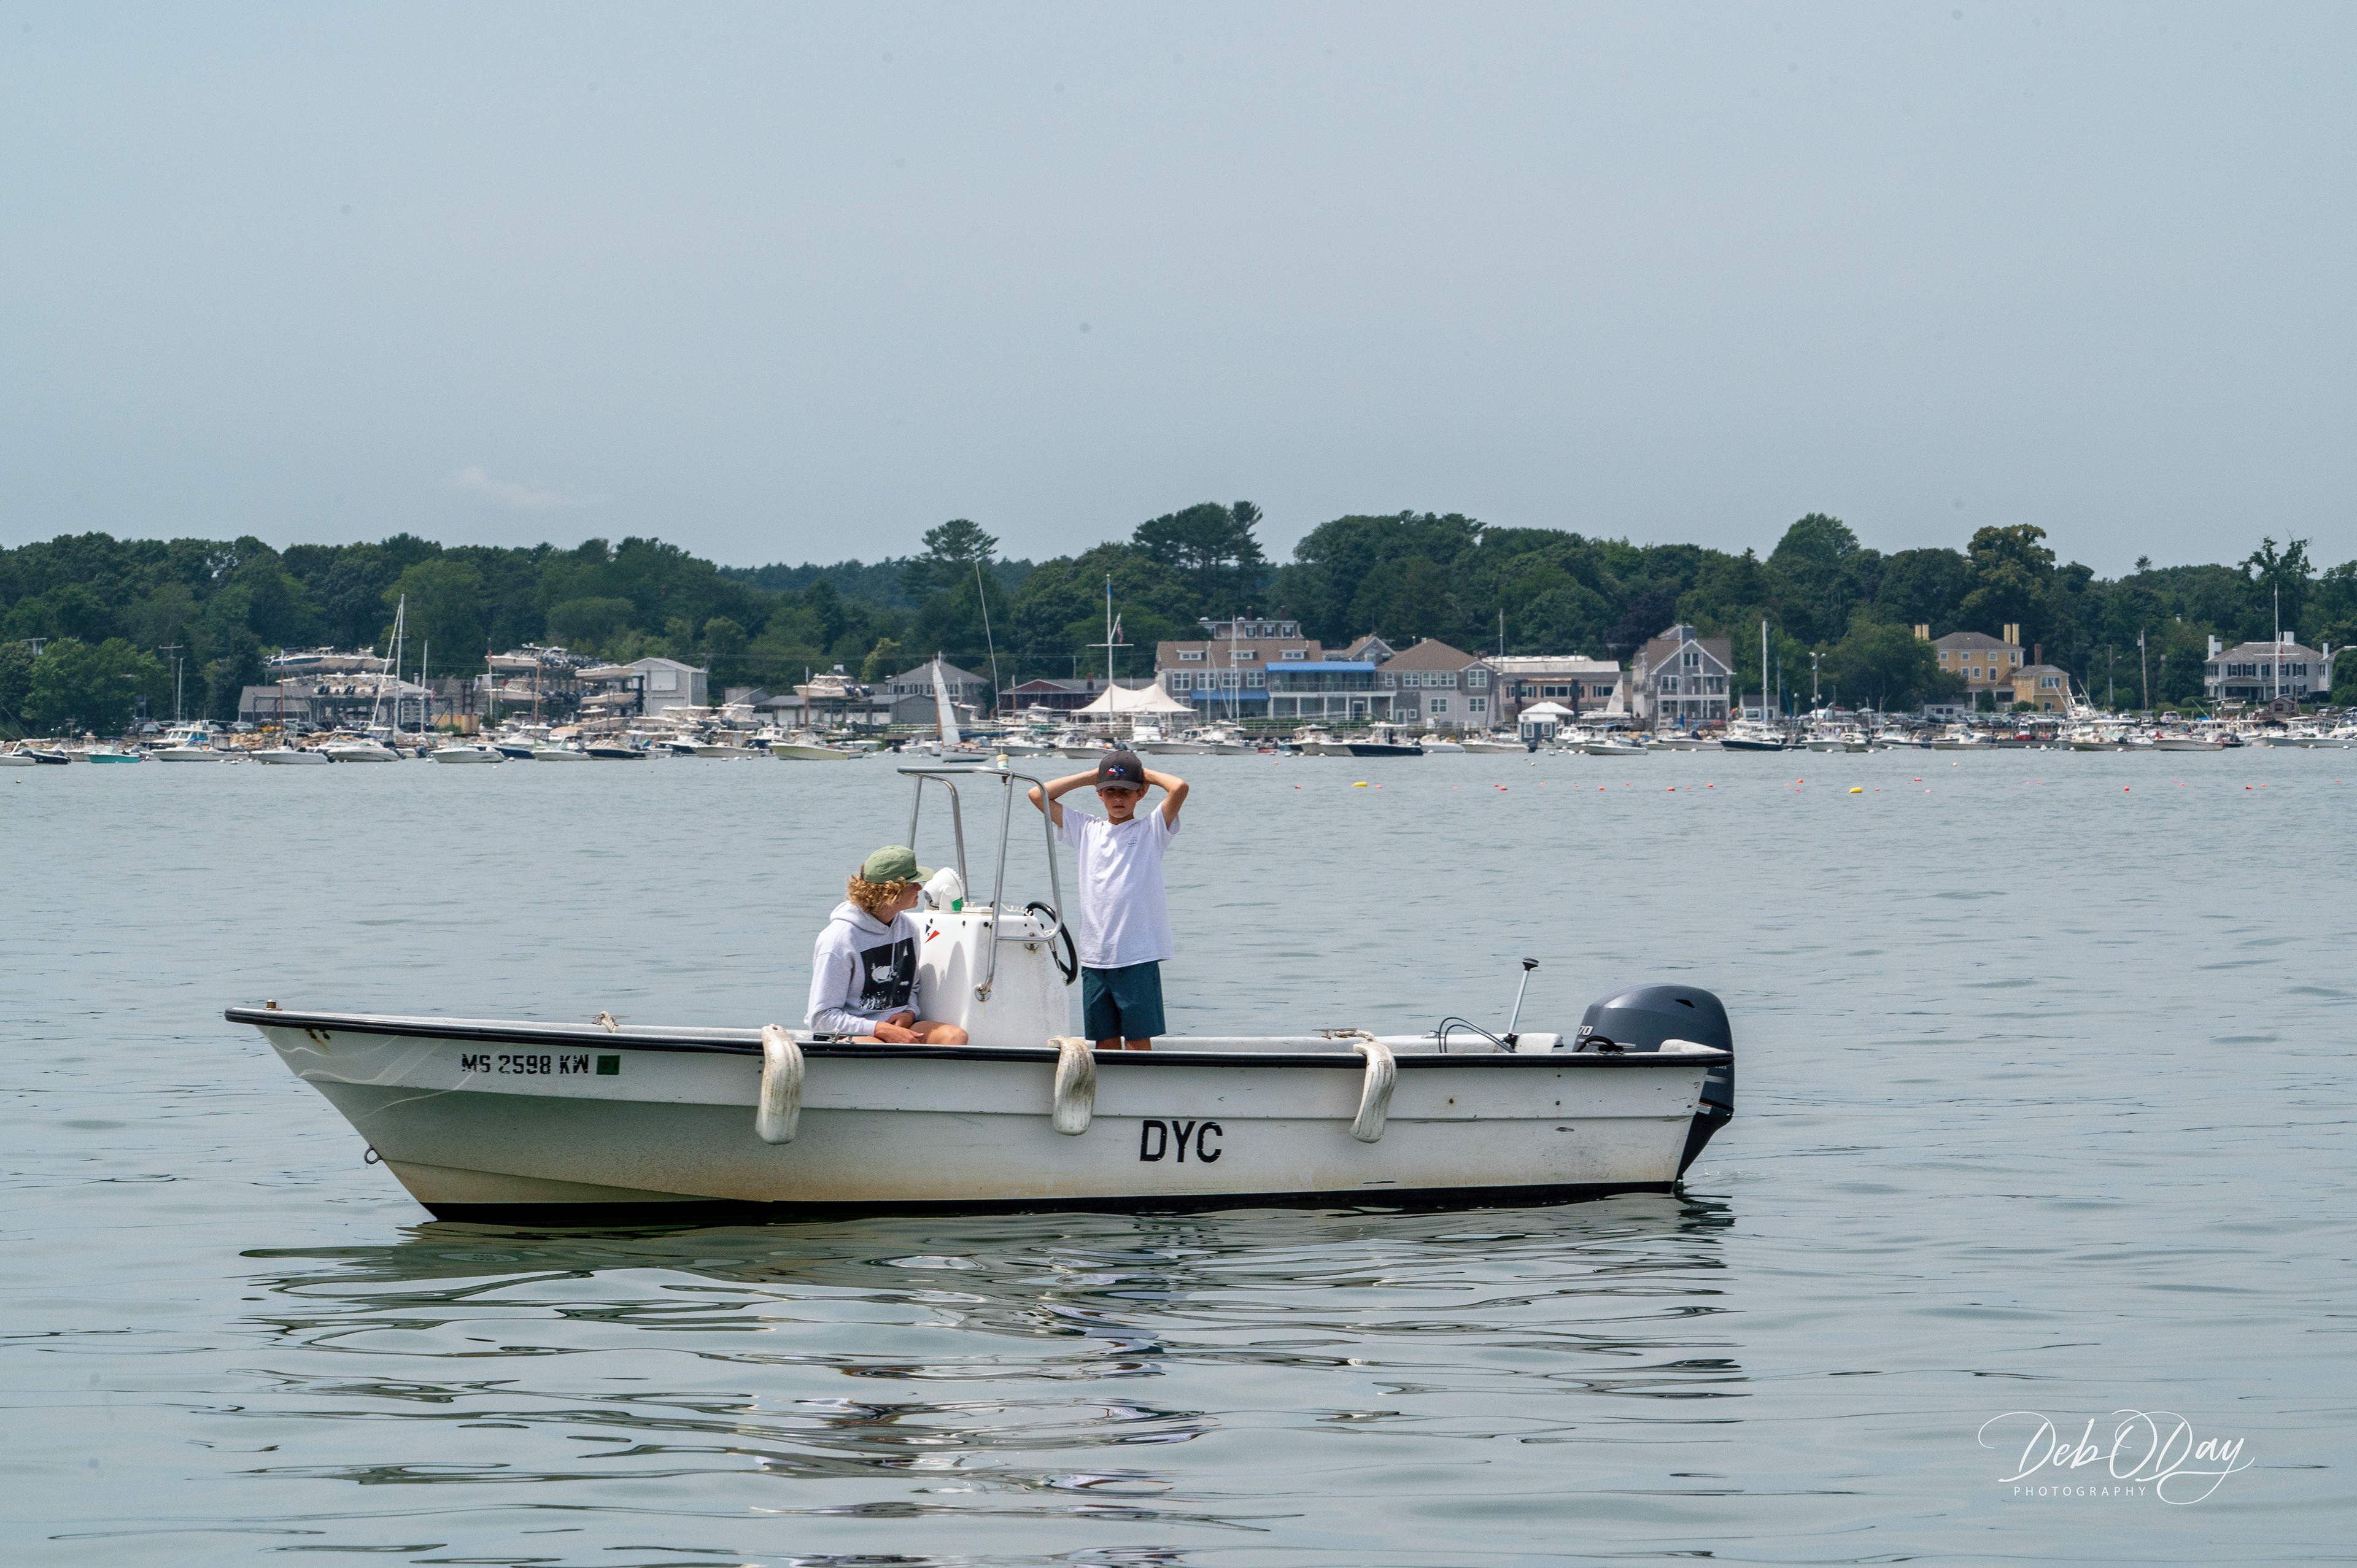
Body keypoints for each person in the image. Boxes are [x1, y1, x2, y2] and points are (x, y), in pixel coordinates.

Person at [1028, 749, 1188, 1051]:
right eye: (1110, 791)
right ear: (1099, 794)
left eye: (1126, 791)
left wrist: (1142, 775)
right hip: (1095, 957)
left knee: (1138, 1040)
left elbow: (1179, 787)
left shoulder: (1152, 829)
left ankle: (1142, 1085)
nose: (1118, 798)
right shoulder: (1085, 828)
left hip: (1137, 956)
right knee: (1105, 1042)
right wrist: (1094, 776)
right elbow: (1037, 794)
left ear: (1141, 793)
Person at [805, 845, 970, 1045]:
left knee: (955, 1037)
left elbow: (912, 987)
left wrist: (909, 1013)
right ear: (891, 891)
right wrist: (879, 1029)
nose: (920, 888)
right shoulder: (838, 940)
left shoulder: (909, 928)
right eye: (912, 883)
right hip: (848, 1034)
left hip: (899, 1026)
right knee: (875, 1046)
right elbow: (821, 1018)